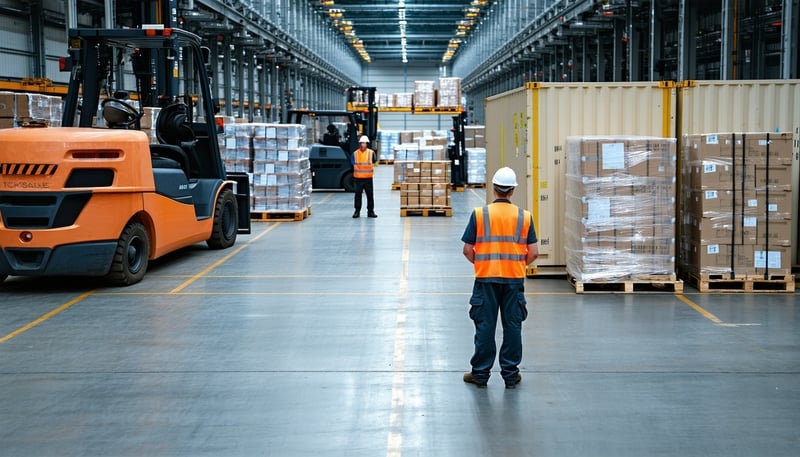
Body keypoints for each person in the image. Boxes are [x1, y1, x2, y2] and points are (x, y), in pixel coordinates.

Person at [461, 167, 538, 389]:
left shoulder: (479, 214)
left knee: (485, 326)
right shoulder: (525, 217)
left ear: (493, 189)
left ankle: (480, 374)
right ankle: (511, 375)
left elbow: (467, 250)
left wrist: (485, 263)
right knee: (513, 326)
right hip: (513, 280)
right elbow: (533, 252)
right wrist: (515, 265)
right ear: (512, 190)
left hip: (486, 279)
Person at [351, 135, 378, 218]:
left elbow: (374, 160)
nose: (363, 144)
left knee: (370, 195)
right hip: (358, 178)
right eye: (361, 143)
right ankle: (357, 211)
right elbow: (352, 163)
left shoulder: (371, 153)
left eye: (364, 143)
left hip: (368, 178)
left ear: (367, 144)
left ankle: (370, 211)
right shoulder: (355, 154)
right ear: (359, 144)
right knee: (358, 195)